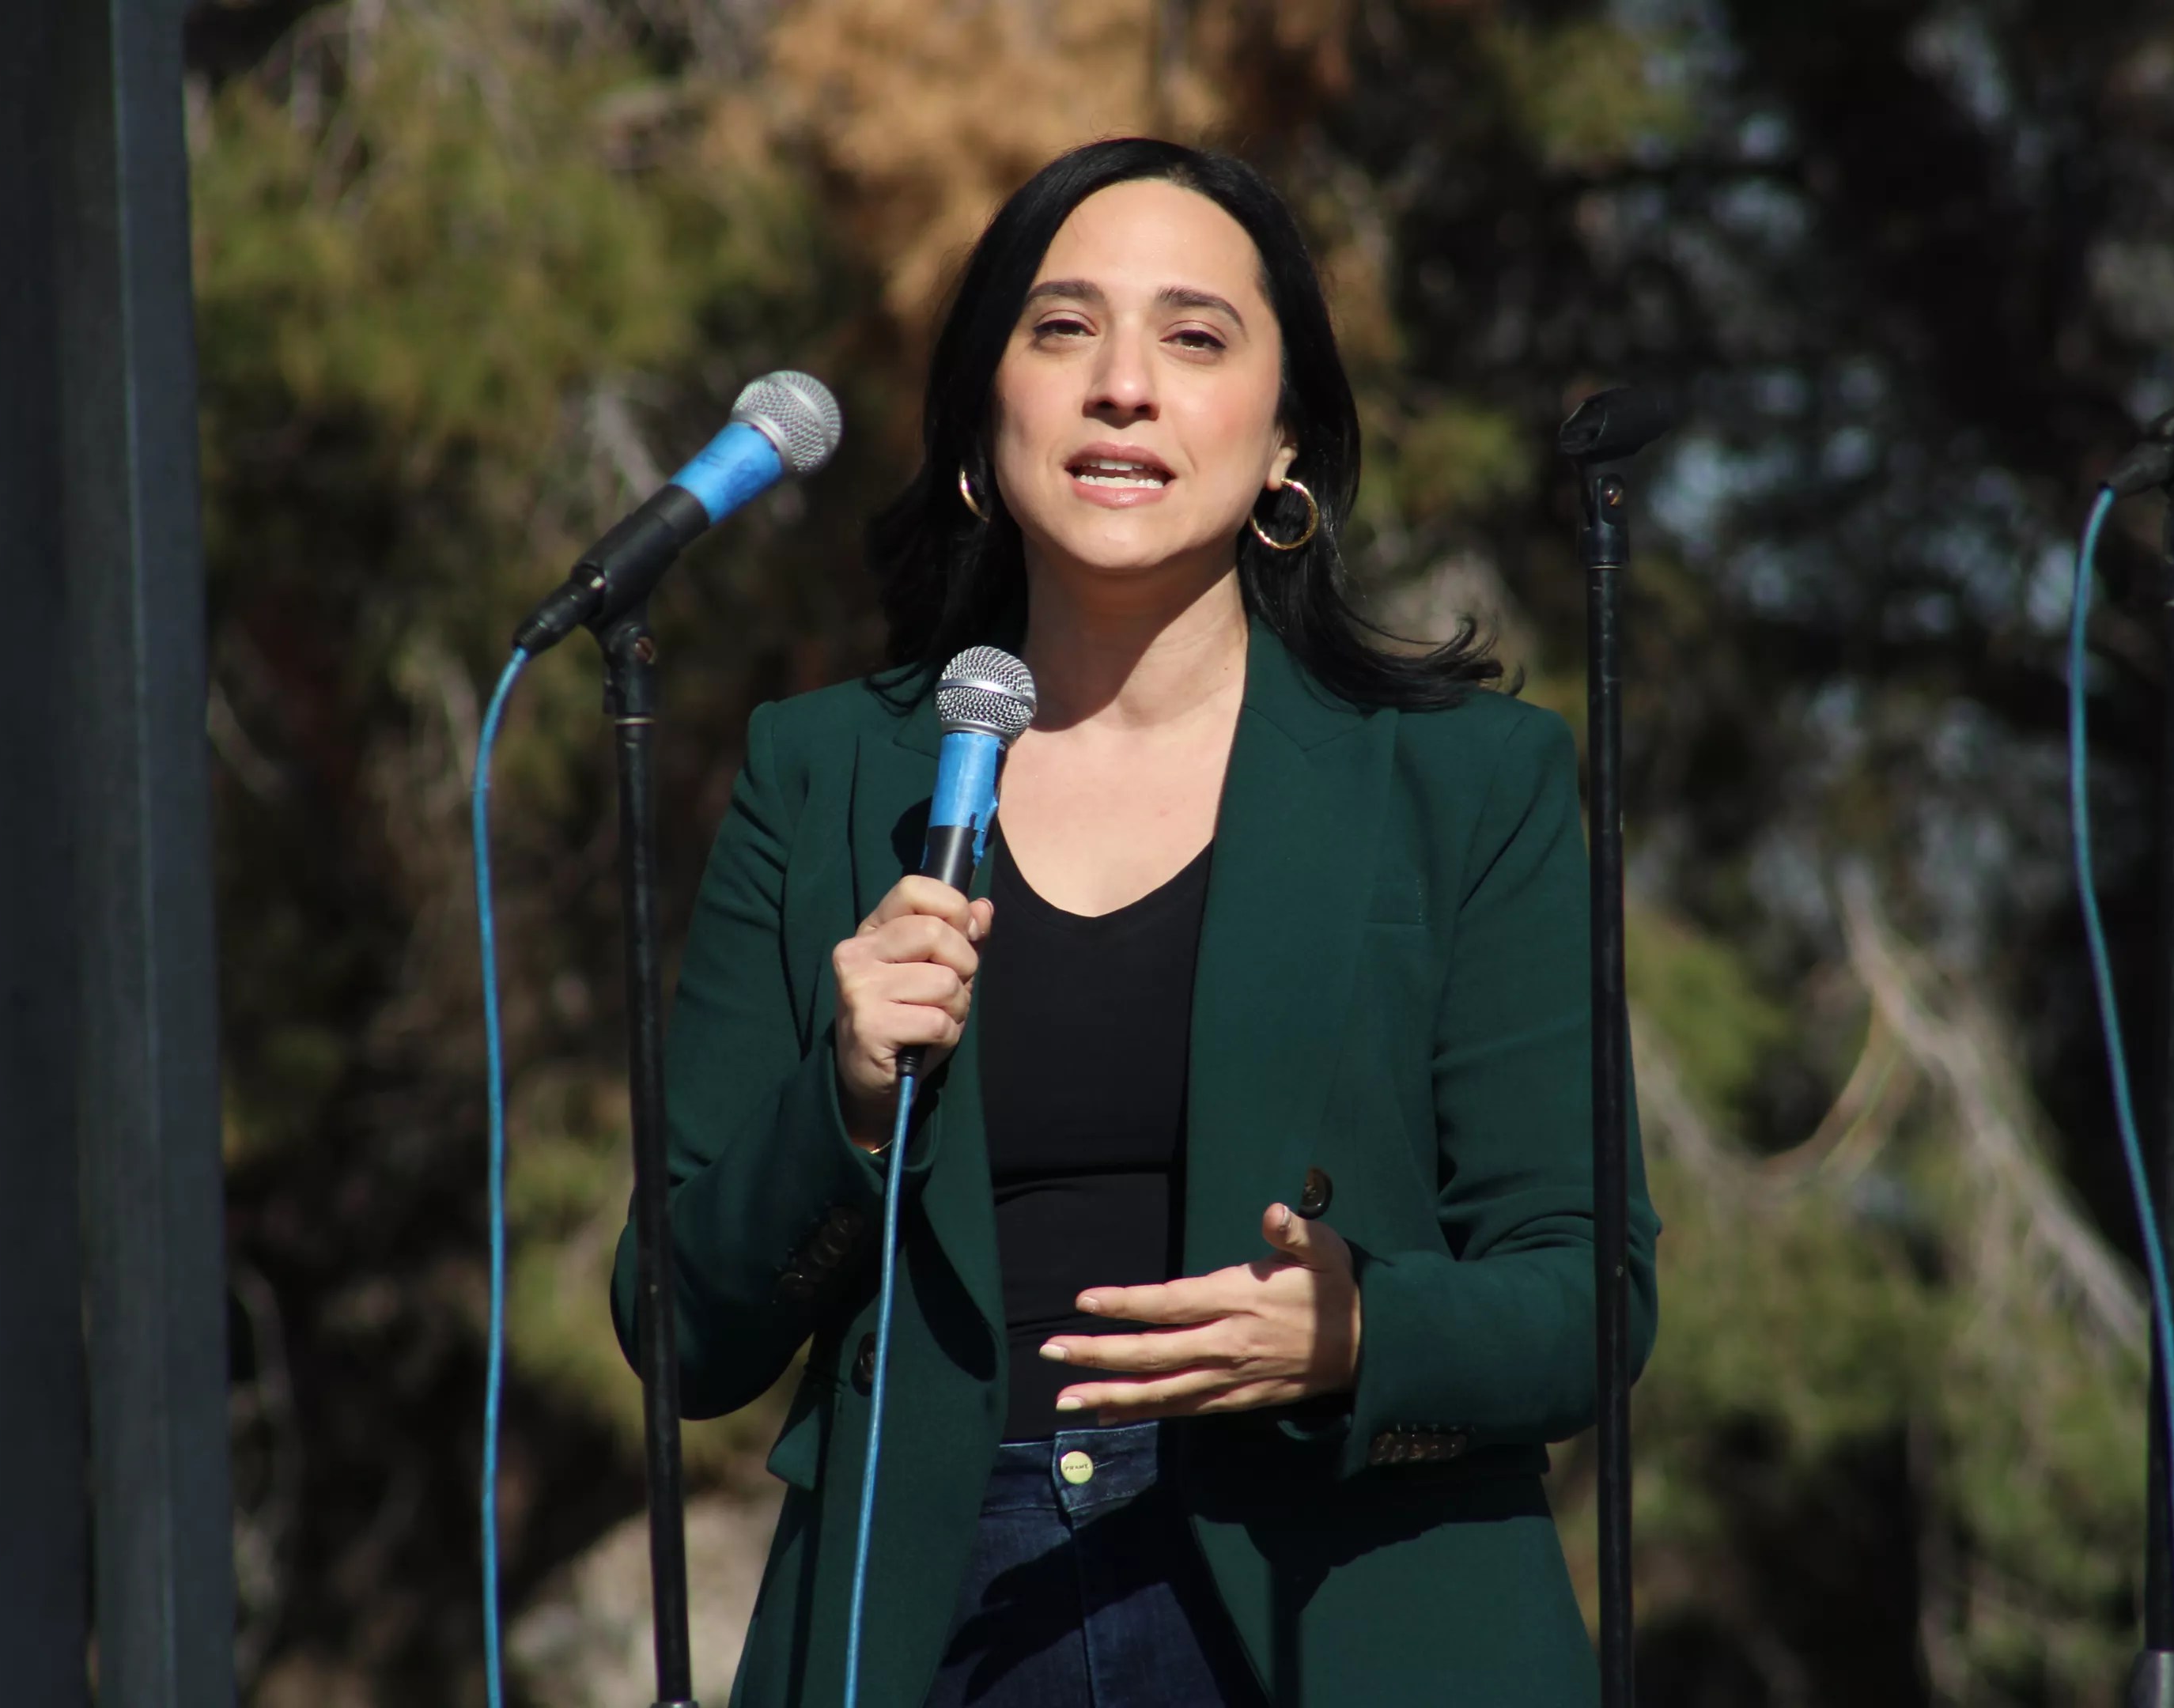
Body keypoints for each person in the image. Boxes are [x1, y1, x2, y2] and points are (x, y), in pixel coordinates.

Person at [610, 136, 1659, 1708]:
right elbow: (677, 1327)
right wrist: (839, 1105)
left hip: (1337, 1605)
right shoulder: (825, 774)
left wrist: (1359, 1332)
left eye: (1194, 335)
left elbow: (1591, 1299)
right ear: (983, 425)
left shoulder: (1464, 782)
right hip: (933, 1619)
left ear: (1287, 438)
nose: (1122, 386)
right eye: (1062, 329)